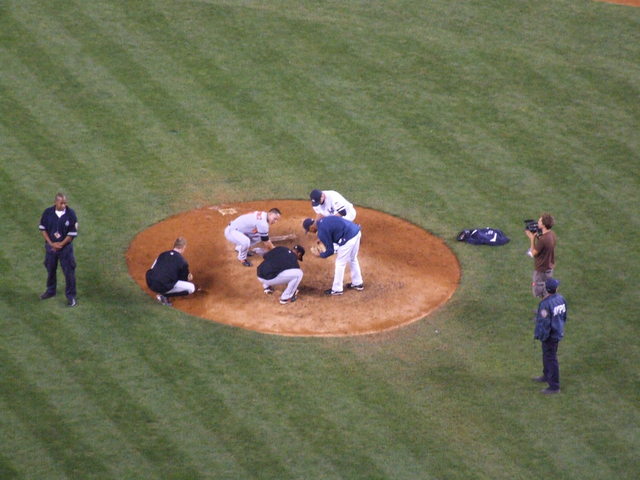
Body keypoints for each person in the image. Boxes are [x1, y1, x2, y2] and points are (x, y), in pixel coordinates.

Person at [303, 216, 364, 296]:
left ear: (311, 227)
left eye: (309, 230)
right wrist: (323, 239)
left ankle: (337, 289)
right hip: (356, 232)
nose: (310, 232)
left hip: (349, 237)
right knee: (352, 259)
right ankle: (357, 283)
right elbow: (333, 230)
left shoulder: (321, 231)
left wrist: (320, 255)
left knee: (340, 263)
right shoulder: (323, 220)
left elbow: (330, 251)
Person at [38, 192, 79, 307]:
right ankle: (51, 291)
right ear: (55, 202)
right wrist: (51, 243)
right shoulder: (47, 213)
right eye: (61, 203)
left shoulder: (71, 214)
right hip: (51, 248)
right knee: (50, 269)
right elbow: (43, 229)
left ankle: (71, 296)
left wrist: (60, 244)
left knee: (69, 272)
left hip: (65, 249)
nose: (64, 205)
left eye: (65, 203)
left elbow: (71, 234)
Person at [532, 278, 568, 394]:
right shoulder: (561, 299)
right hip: (558, 331)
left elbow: (544, 323)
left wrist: (541, 336)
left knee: (551, 358)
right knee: (547, 356)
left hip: (550, 335)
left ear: (546, 289)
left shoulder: (545, 303)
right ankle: (546, 375)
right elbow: (564, 316)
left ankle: (554, 386)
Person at [145, 237, 196, 306]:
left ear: (174, 245)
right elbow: (183, 279)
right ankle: (163, 295)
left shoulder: (163, 254)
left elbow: (152, 268)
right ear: (183, 247)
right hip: (163, 287)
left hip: (150, 283)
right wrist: (188, 277)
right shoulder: (182, 262)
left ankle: (162, 291)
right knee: (191, 288)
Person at [525, 213, 557, 297]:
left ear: (543, 225)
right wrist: (537, 237)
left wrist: (532, 238)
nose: (537, 222)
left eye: (539, 221)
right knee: (547, 289)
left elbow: (532, 253)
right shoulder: (552, 234)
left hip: (541, 269)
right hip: (549, 267)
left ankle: (544, 304)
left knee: (539, 291)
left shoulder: (543, 239)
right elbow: (545, 246)